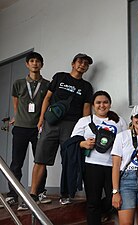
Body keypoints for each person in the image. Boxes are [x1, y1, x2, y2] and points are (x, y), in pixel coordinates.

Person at [29, 53, 94, 205]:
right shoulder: (60, 77)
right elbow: (47, 98)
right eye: (80, 61)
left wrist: (84, 131)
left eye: (86, 63)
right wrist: (41, 118)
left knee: (69, 160)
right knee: (40, 158)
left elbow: (86, 110)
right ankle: (33, 194)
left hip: (72, 126)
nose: (82, 65)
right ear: (73, 63)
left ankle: (65, 194)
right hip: (51, 123)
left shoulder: (86, 87)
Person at [69, 91, 127, 225]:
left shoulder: (119, 121)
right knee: (93, 201)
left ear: (110, 104)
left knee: (113, 198)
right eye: (98, 102)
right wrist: (83, 144)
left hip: (113, 166)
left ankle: (103, 211)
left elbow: (126, 142)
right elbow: (72, 143)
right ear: (93, 105)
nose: (102, 105)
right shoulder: (84, 121)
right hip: (91, 165)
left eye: (105, 102)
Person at [4, 52, 50, 211]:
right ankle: (12, 194)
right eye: (32, 61)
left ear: (42, 64)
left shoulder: (47, 84)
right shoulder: (18, 83)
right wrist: (18, 116)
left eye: (38, 61)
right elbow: (16, 102)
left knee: (41, 161)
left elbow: (47, 104)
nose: (35, 64)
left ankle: (40, 192)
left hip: (39, 128)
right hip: (21, 128)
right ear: (27, 64)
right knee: (17, 162)